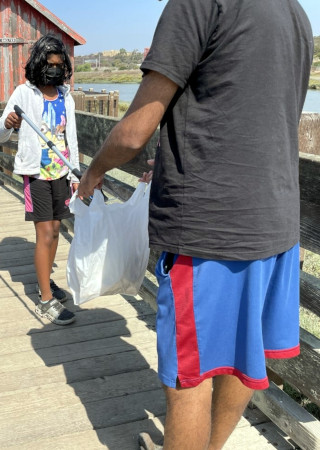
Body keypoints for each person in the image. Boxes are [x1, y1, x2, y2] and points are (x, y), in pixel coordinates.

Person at [77, 1, 313, 448]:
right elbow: (246, 110)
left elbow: (133, 130)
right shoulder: (294, 12)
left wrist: (95, 171)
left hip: (211, 228)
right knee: (248, 358)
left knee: (189, 378)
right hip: (277, 221)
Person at [0, 33, 79, 326]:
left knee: (56, 231)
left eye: (59, 64)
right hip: (38, 174)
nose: (54, 70)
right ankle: (45, 301)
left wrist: (76, 172)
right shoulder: (24, 94)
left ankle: (47, 282)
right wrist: (7, 124)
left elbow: (72, 138)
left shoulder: (66, 95)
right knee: (44, 234)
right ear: (39, 65)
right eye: (49, 64)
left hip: (61, 172)